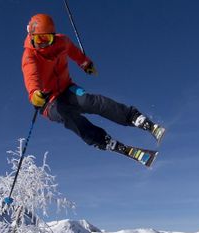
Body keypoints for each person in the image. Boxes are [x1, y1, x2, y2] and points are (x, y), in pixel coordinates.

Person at [21, 13, 165, 161]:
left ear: (53, 36)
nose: (43, 44)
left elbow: (74, 51)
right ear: (31, 36)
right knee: (68, 116)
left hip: (67, 88)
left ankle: (135, 118)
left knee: (91, 101)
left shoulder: (62, 41)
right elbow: (31, 76)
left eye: (47, 39)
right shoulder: (30, 56)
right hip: (47, 101)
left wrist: (85, 63)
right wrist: (34, 94)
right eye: (39, 39)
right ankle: (103, 140)